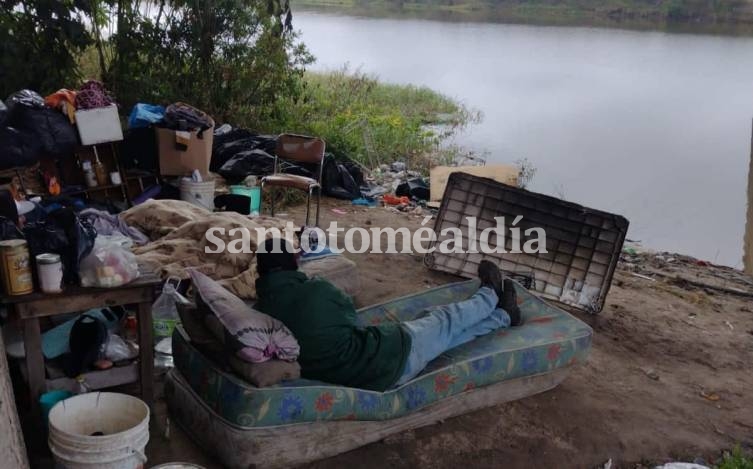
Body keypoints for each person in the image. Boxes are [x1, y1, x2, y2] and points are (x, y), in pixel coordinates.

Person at [254, 238, 522, 391]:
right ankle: (490, 294)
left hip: (367, 372)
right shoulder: (316, 290)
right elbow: (350, 317)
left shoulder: (260, 311)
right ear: (293, 262)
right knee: (443, 318)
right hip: (386, 360)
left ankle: (504, 316)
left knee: (445, 335)